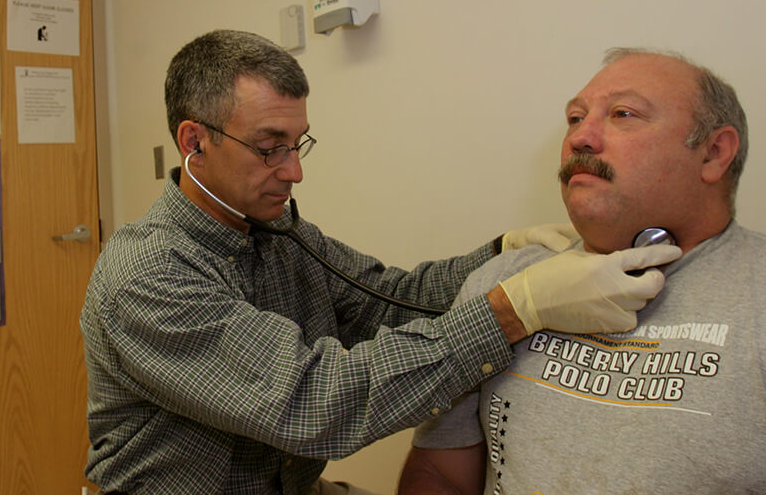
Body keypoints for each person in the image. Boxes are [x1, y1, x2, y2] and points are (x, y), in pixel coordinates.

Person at [79, 31, 680, 495]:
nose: (294, 171)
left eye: (297, 143)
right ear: (194, 143)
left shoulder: (279, 231)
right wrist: (513, 309)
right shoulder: (148, 273)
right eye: (269, 148)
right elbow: (314, 402)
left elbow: (389, 298)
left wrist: (502, 253)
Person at [398, 48, 764, 495]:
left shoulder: (756, 293)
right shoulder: (503, 286)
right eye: (575, 118)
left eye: (623, 114)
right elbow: (438, 475)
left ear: (714, 153)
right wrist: (514, 306)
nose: (580, 138)